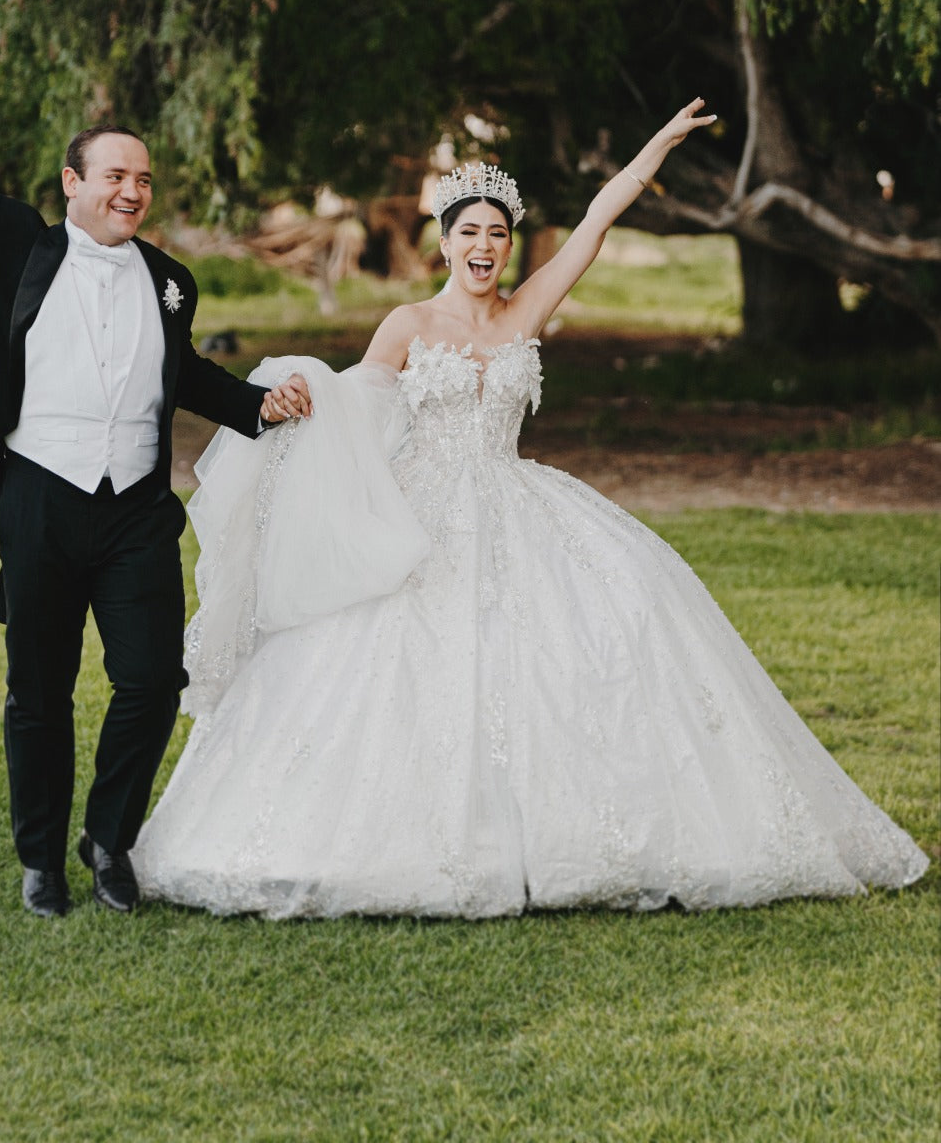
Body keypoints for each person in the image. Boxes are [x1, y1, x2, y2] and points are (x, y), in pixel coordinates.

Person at [131, 100, 928, 916]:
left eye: (498, 234)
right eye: (469, 233)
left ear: (510, 246)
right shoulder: (408, 323)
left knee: (615, 627)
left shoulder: (527, 311)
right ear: (444, 242)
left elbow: (598, 217)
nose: (484, 247)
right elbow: (359, 408)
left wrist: (657, 145)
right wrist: (298, 399)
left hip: (519, 504)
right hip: (424, 513)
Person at [0, 0, 311, 918]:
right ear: (72, 182)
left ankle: (110, 841)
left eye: (143, 178)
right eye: (114, 174)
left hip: (137, 512)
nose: (133, 190)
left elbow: (181, 374)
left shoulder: (169, 278)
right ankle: (40, 862)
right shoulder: (4, 248)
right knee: (39, 691)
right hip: (40, 499)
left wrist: (258, 405)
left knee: (150, 679)